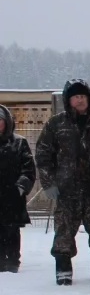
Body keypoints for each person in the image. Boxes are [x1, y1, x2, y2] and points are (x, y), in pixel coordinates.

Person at [36, 79, 90, 285]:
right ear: (68, 100)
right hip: (66, 189)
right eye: (75, 97)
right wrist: (48, 183)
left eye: (83, 96)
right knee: (64, 230)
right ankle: (63, 268)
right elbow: (43, 155)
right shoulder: (56, 124)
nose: (80, 100)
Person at [0, 105, 36, 272]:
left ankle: (13, 259)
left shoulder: (19, 143)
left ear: (7, 122)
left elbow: (28, 170)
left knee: (11, 229)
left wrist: (20, 188)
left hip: (12, 196)